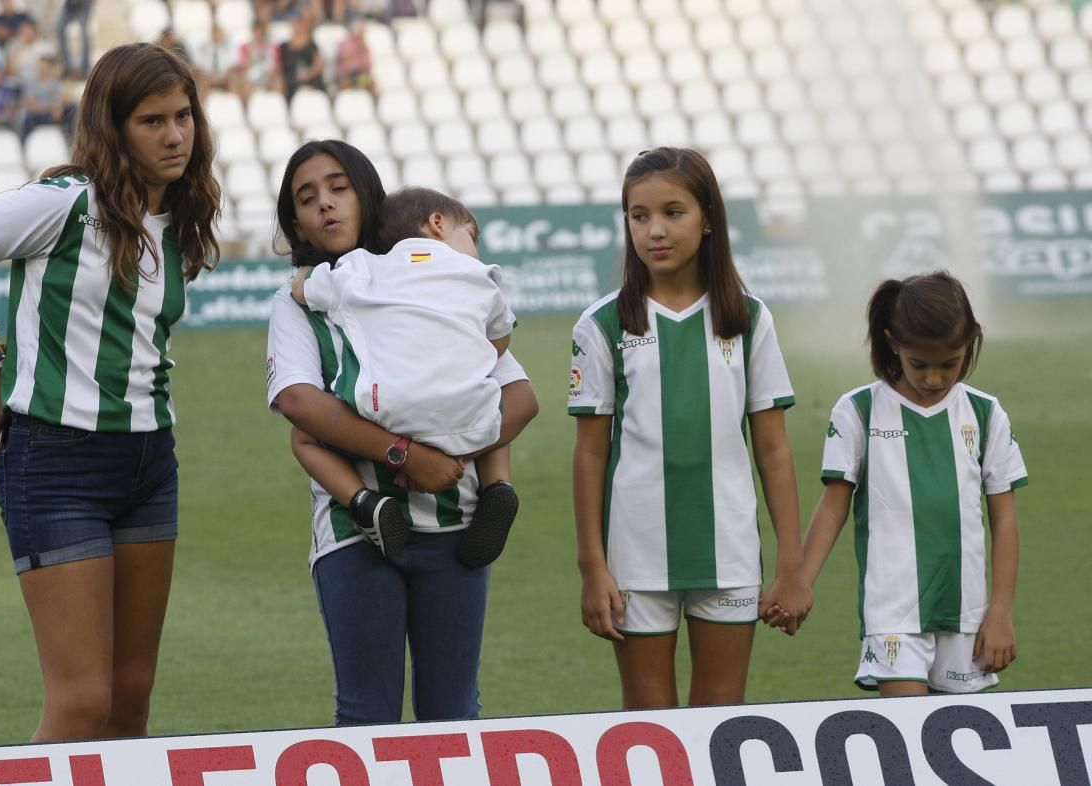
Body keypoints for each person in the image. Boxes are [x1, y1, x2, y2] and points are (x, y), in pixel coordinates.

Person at [0, 43, 221, 742]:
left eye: (183, 117)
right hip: (58, 465)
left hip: (151, 460)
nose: (175, 135)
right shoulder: (65, 204)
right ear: (112, 128)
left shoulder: (180, 212)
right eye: (152, 121)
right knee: (83, 701)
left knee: (130, 700)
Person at [266, 139, 539, 725]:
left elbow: (513, 392)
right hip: (353, 535)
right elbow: (295, 399)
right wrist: (405, 453)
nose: (326, 206)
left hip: (457, 526)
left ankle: (495, 495)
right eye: (307, 199)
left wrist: (456, 438)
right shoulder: (299, 302)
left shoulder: (432, 283)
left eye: (338, 188)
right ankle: (466, 492)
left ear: (367, 193)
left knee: (452, 715)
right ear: (296, 224)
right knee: (368, 717)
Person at [569, 147, 811, 709]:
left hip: (727, 553)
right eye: (638, 215)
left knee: (720, 720)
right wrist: (592, 565)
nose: (654, 230)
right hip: (635, 553)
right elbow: (589, 456)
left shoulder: (748, 319)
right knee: (649, 724)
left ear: (708, 219)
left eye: (672, 212)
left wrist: (791, 565)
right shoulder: (602, 323)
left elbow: (773, 451)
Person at [795, 271, 1025, 696]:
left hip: (967, 615)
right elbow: (833, 505)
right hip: (893, 613)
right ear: (892, 342)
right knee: (909, 741)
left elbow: (1005, 519)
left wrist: (1001, 611)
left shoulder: (986, 413)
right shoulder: (858, 410)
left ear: (970, 342)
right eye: (920, 364)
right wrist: (799, 581)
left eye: (949, 364)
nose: (935, 378)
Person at [288, 186, 519, 566]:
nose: (475, 249)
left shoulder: (361, 267)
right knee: (490, 395)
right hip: (466, 419)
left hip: (386, 412)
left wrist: (305, 275)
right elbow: (500, 338)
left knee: (307, 438)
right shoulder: (478, 275)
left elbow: (302, 289)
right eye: (471, 236)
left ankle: (365, 502)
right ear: (438, 223)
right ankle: (497, 486)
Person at [277, 13, 326, 101]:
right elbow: (279, 65)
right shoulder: (284, 47)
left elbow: (319, 64)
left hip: (310, 78)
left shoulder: (311, 45)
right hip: (290, 80)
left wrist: (308, 74)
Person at [333, 18, 374, 94]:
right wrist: (357, 50)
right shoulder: (344, 44)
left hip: (360, 75)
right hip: (346, 76)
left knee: (371, 84)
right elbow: (344, 60)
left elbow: (367, 66)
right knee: (345, 84)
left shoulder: (365, 47)